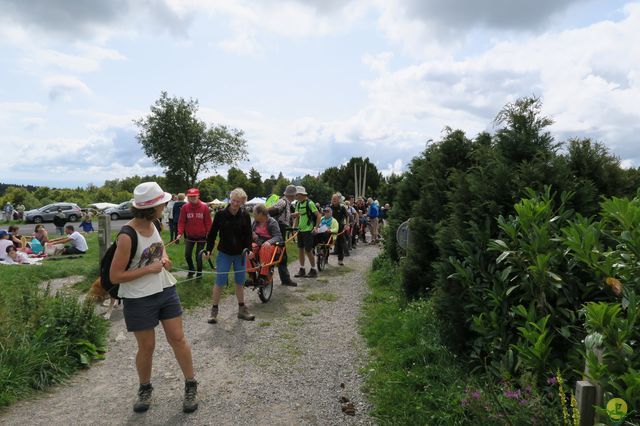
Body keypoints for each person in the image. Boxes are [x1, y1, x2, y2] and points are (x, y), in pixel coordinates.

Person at [108, 182, 197, 414]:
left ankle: (191, 385)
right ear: (151, 207)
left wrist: (165, 258)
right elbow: (115, 275)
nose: (165, 206)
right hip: (138, 298)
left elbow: (159, 248)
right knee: (147, 346)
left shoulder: (154, 223)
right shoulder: (127, 236)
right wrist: (148, 269)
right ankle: (145, 388)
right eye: (161, 203)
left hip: (165, 290)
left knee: (178, 339)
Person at [203, 188, 255, 323]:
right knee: (219, 281)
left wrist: (249, 249)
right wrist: (208, 249)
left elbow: (248, 236)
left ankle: (242, 310)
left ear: (243, 202)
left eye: (239, 202)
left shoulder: (245, 215)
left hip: (240, 254)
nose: (236, 204)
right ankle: (214, 311)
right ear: (230, 199)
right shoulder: (220, 214)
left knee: (239, 282)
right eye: (234, 200)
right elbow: (212, 234)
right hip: (224, 253)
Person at [176, 188, 212, 279]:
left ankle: (199, 273)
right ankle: (191, 269)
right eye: (190, 197)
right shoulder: (185, 207)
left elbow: (208, 222)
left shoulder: (204, 207)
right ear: (188, 197)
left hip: (202, 236)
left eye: (194, 197)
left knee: (198, 256)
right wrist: (180, 233)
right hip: (190, 236)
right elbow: (182, 221)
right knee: (187, 254)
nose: (192, 198)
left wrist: (209, 233)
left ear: (198, 196)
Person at [267, 184, 298, 286]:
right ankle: (284, 279)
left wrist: (292, 215)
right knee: (281, 254)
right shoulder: (283, 201)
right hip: (278, 229)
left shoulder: (286, 203)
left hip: (280, 228)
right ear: (292, 195)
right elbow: (272, 211)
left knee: (281, 254)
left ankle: (283, 278)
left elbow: (282, 215)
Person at [249, 204, 283, 285]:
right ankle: (252, 275)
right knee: (249, 249)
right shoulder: (255, 222)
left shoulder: (272, 222)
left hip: (271, 246)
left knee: (265, 247)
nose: (253, 215)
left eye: (255, 213)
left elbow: (278, 237)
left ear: (261, 214)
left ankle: (263, 276)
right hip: (259, 243)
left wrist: (269, 242)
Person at [292, 186, 321, 278]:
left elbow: (318, 215)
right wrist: (294, 228)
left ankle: (313, 270)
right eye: (296, 195)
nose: (297, 196)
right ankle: (302, 269)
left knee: (308, 251)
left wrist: (316, 227)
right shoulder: (298, 204)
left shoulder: (310, 203)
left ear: (303, 195)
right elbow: (297, 217)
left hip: (308, 231)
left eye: (298, 194)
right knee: (300, 250)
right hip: (300, 230)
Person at [329, 193, 349, 266]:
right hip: (330, 227)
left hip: (340, 228)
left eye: (335, 199)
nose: (334, 200)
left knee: (340, 244)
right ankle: (325, 258)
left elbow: (347, 216)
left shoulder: (342, 207)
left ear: (338, 200)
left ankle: (340, 260)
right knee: (327, 243)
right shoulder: (329, 207)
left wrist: (347, 224)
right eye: (333, 199)